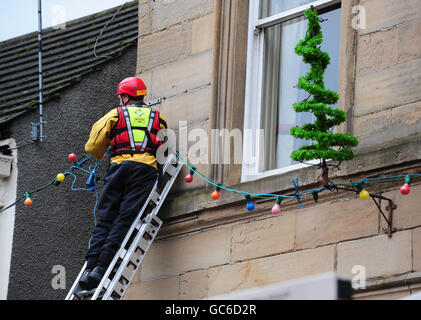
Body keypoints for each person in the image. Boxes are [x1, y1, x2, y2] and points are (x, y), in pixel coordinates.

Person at [78, 76, 168, 291]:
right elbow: (162, 149)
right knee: (125, 219)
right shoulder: (159, 118)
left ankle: (91, 268)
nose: (120, 101)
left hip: (119, 169)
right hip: (145, 171)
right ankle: (102, 268)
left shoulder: (115, 114)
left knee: (106, 217)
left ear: (126, 97)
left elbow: (92, 147)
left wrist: (108, 148)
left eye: (121, 97)